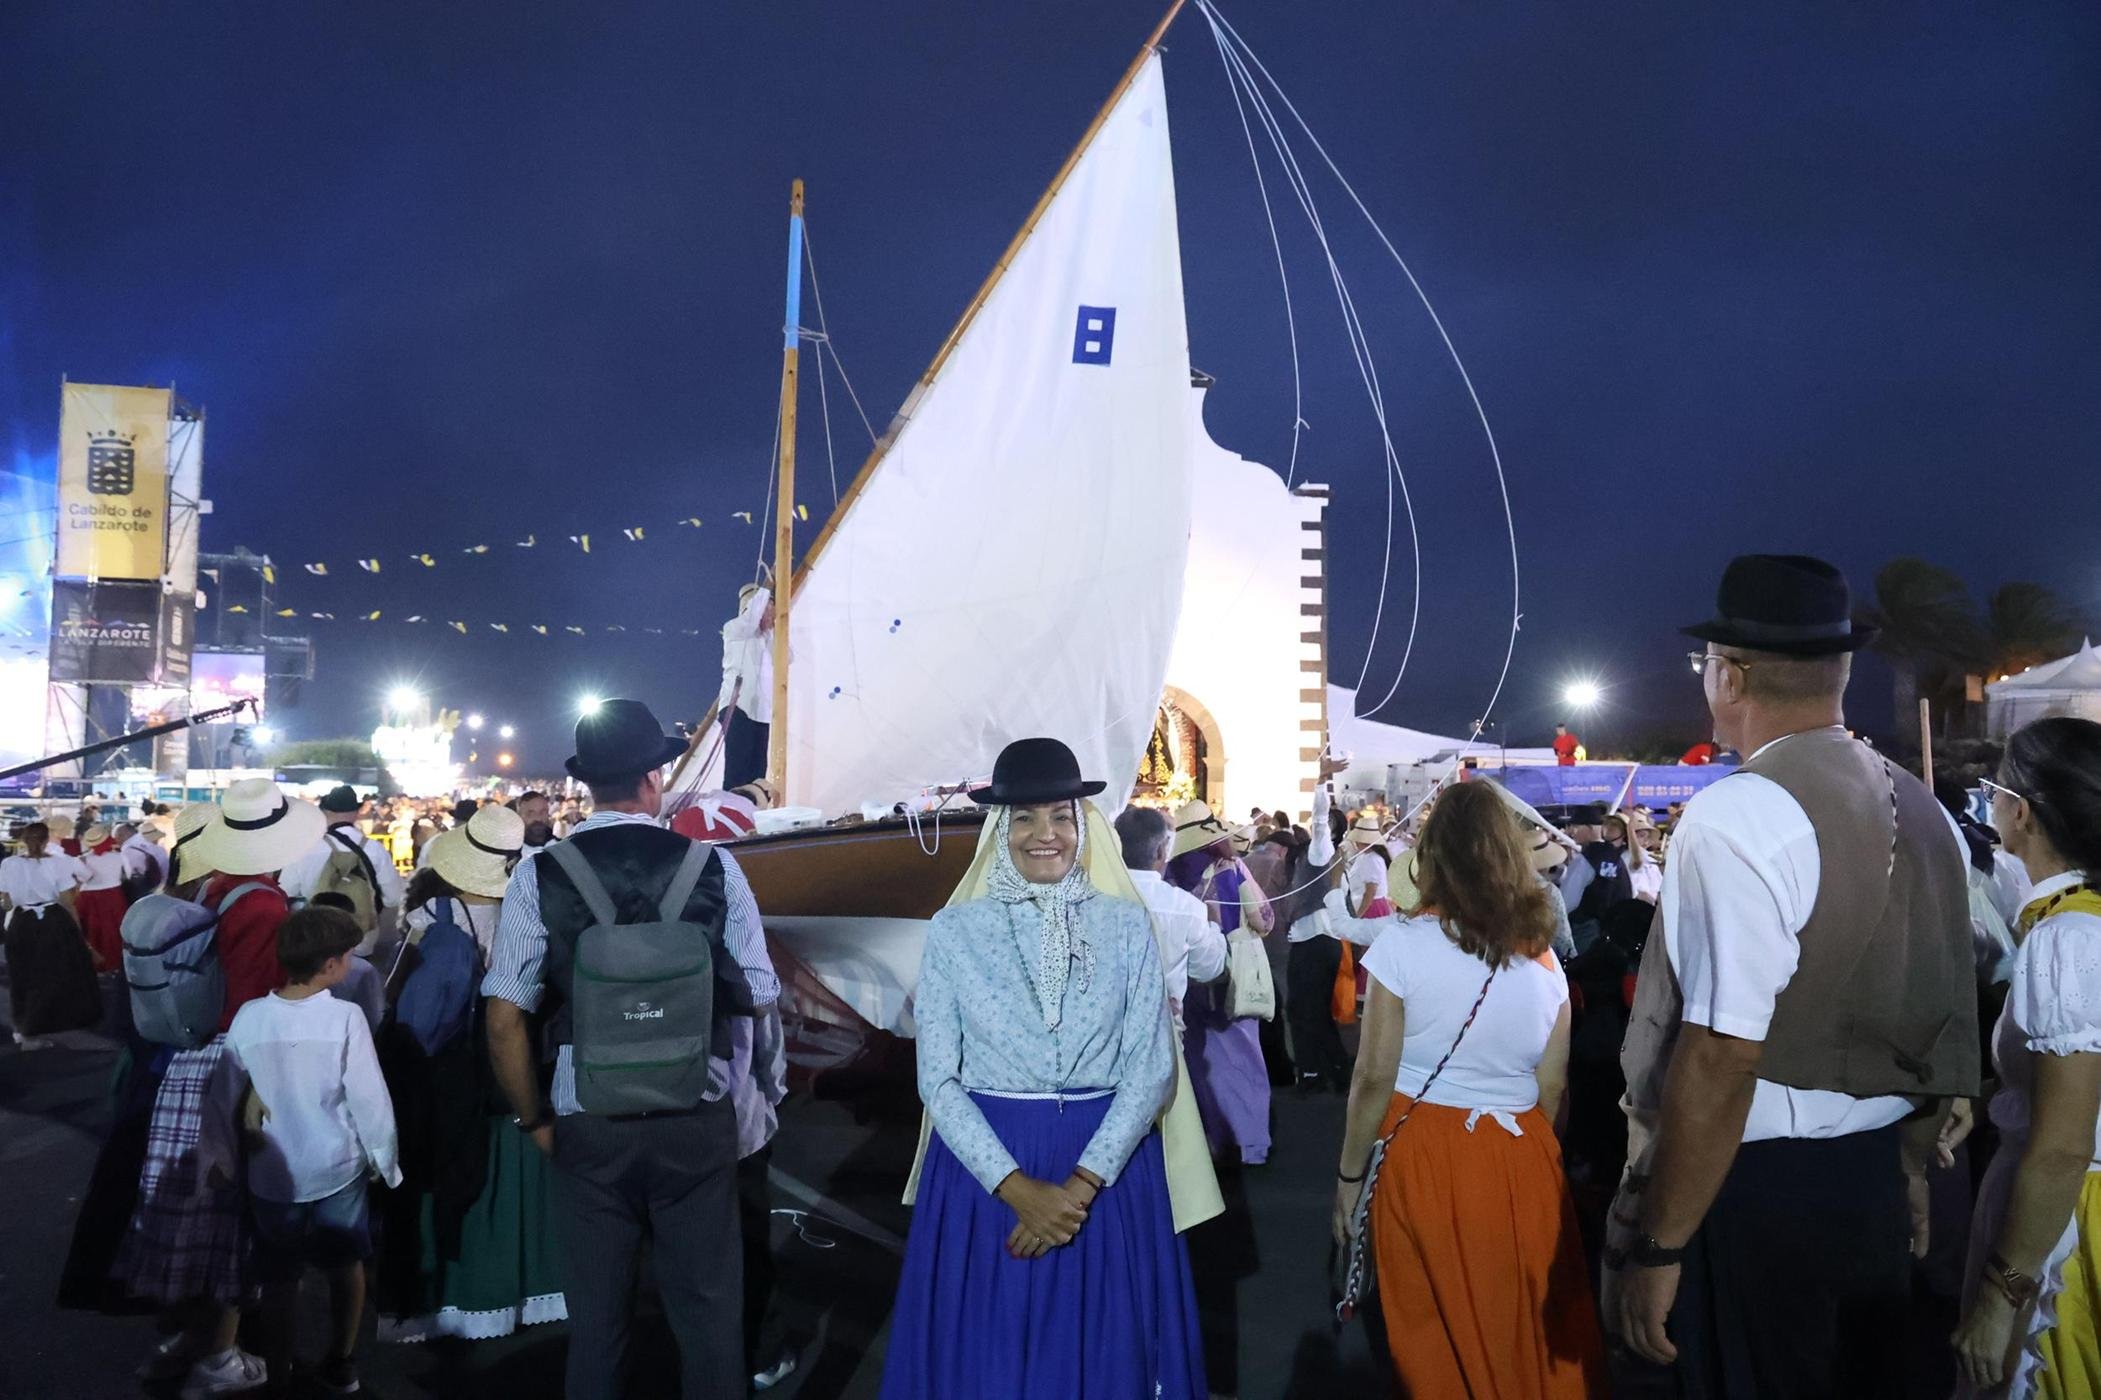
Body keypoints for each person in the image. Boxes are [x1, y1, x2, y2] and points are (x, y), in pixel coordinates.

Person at [1608, 555, 1979, 1397]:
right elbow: (1953, 993)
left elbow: (1720, 1055)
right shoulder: (1924, 809)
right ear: (1840, 671)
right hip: (1874, 1180)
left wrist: (1659, 1246)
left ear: (1728, 677)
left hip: (1759, 1189)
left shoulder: (1735, 813)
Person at [882, 738, 1202, 1398]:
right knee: (988, 1358)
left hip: (1103, 1172)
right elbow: (936, 1076)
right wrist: (1018, 1190)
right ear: (1000, 829)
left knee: (1104, 1355)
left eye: (1060, 815)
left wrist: (1076, 1190)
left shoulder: (1126, 925)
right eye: (1023, 818)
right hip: (987, 1172)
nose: (1043, 834)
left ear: (1082, 826)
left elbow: (1149, 1070)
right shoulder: (953, 930)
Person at [482, 698, 778, 1400]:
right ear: (655, 775)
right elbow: (759, 991)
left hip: (587, 1117)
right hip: (694, 1115)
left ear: (587, 783)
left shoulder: (539, 873)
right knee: (708, 1316)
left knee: (598, 1322)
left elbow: (503, 1019)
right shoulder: (712, 867)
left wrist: (536, 1121)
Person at [1331, 781, 1606, 1396]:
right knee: (1523, 1321)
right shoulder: (1544, 961)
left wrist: (1350, 1181)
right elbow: (1553, 1085)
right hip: (1521, 1151)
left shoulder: (1403, 945)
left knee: (1429, 1329)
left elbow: (1373, 1075)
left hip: (1422, 1148)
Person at [118, 779, 322, 1399]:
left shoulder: (217, 887)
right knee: (231, 1213)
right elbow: (254, 1006)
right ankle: (219, 1360)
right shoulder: (265, 906)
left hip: (189, 1062)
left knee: (191, 1211)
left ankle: (187, 1340)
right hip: (231, 1063)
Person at [376, 805, 569, 1345]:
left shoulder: (433, 915)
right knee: (517, 1173)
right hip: (519, 1063)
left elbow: (395, 998)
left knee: (443, 1179)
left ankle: (443, 1297)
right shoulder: (532, 912)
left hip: (444, 1071)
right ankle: (526, 1290)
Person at [1949, 718, 2101, 1395]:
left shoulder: (2067, 938)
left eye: (1993, 791)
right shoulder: (2077, 921)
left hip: (2062, 1221)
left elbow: (2063, 1145)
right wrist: (1992, 1096)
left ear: (2021, 811)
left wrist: (1999, 1293)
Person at [214, 905, 401, 1398]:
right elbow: (368, 1096)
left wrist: (221, 1160)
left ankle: (278, 1374)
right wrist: (384, 1157)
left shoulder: (251, 1017)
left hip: (271, 1173)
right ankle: (340, 1361)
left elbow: (224, 1096)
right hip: (336, 1164)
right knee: (345, 1265)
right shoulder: (345, 1017)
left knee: (279, 1279)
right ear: (332, 964)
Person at [1168, 799, 1276, 1167]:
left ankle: (1210, 1141)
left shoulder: (1171, 874)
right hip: (1233, 976)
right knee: (1244, 1060)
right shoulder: (1232, 868)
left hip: (1190, 981)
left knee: (1200, 1064)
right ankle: (1250, 1144)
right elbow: (1264, 920)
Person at [1116, 805, 1227, 1030]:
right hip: (1162, 1031)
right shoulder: (1185, 907)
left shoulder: (1091, 898)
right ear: (1161, 852)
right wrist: (1215, 927)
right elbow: (1208, 968)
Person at [0, 820, 95, 1048]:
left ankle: (22, 1028)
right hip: (52, 920)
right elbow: (67, 901)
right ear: (46, 840)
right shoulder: (59, 864)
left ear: (22, 840)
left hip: (21, 921)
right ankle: (39, 1026)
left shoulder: (9, 863)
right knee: (48, 976)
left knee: (20, 975)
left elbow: (6, 902)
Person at [282, 786, 406, 946]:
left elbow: (286, 891)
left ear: (324, 811)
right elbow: (393, 898)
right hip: (361, 939)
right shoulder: (374, 849)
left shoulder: (307, 847)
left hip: (316, 937)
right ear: (357, 812)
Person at [718, 580, 776, 790]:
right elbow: (750, 620)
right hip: (737, 707)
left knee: (757, 774)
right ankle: (732, 815)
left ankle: (750, 815)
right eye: (765, 606)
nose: (769, 611)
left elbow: (786, 658)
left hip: (760, 713)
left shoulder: (766, 638)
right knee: (737, 771)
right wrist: (767, 588)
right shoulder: (734, 628)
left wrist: (770, 632)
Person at [75, 821, 134, 971]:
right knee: (114, 930)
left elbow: (82, 879)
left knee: (91, 930)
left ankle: (95, 965)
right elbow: (128, 874)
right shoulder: (120, 856)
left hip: (89, 898)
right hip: (113, 895)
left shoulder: (83, 859)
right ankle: (116, 964)